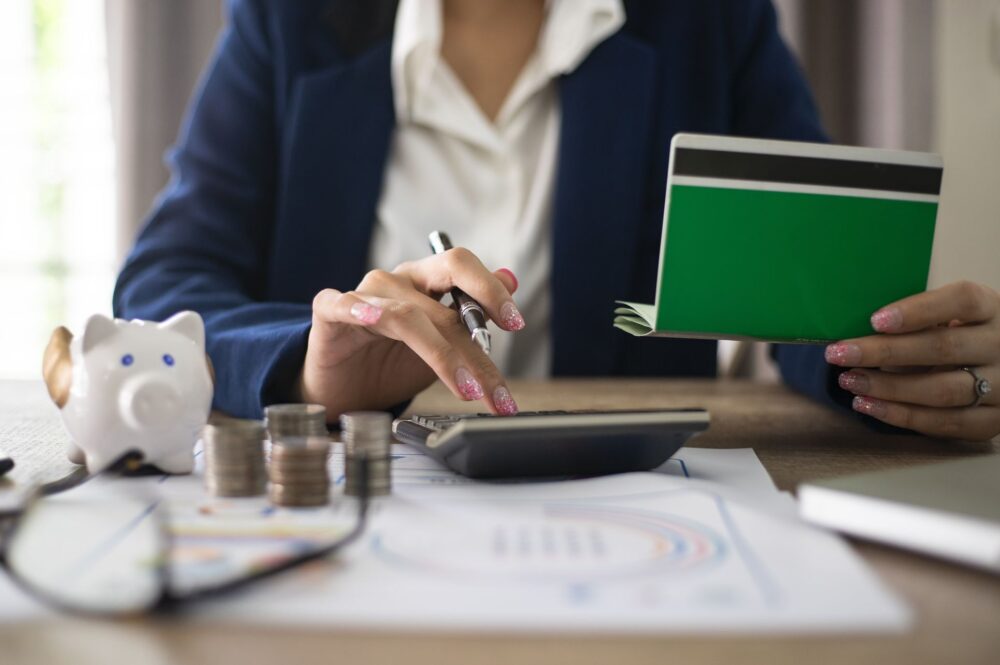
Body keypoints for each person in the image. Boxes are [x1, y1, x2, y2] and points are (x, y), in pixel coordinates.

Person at [114, 0, 1000, 441]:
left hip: (639, 512)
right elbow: (163, 289)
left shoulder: (708, 22)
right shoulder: (289, 22)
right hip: (356, 502)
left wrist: (897, 365)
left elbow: (805, 293)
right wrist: (307, 370)